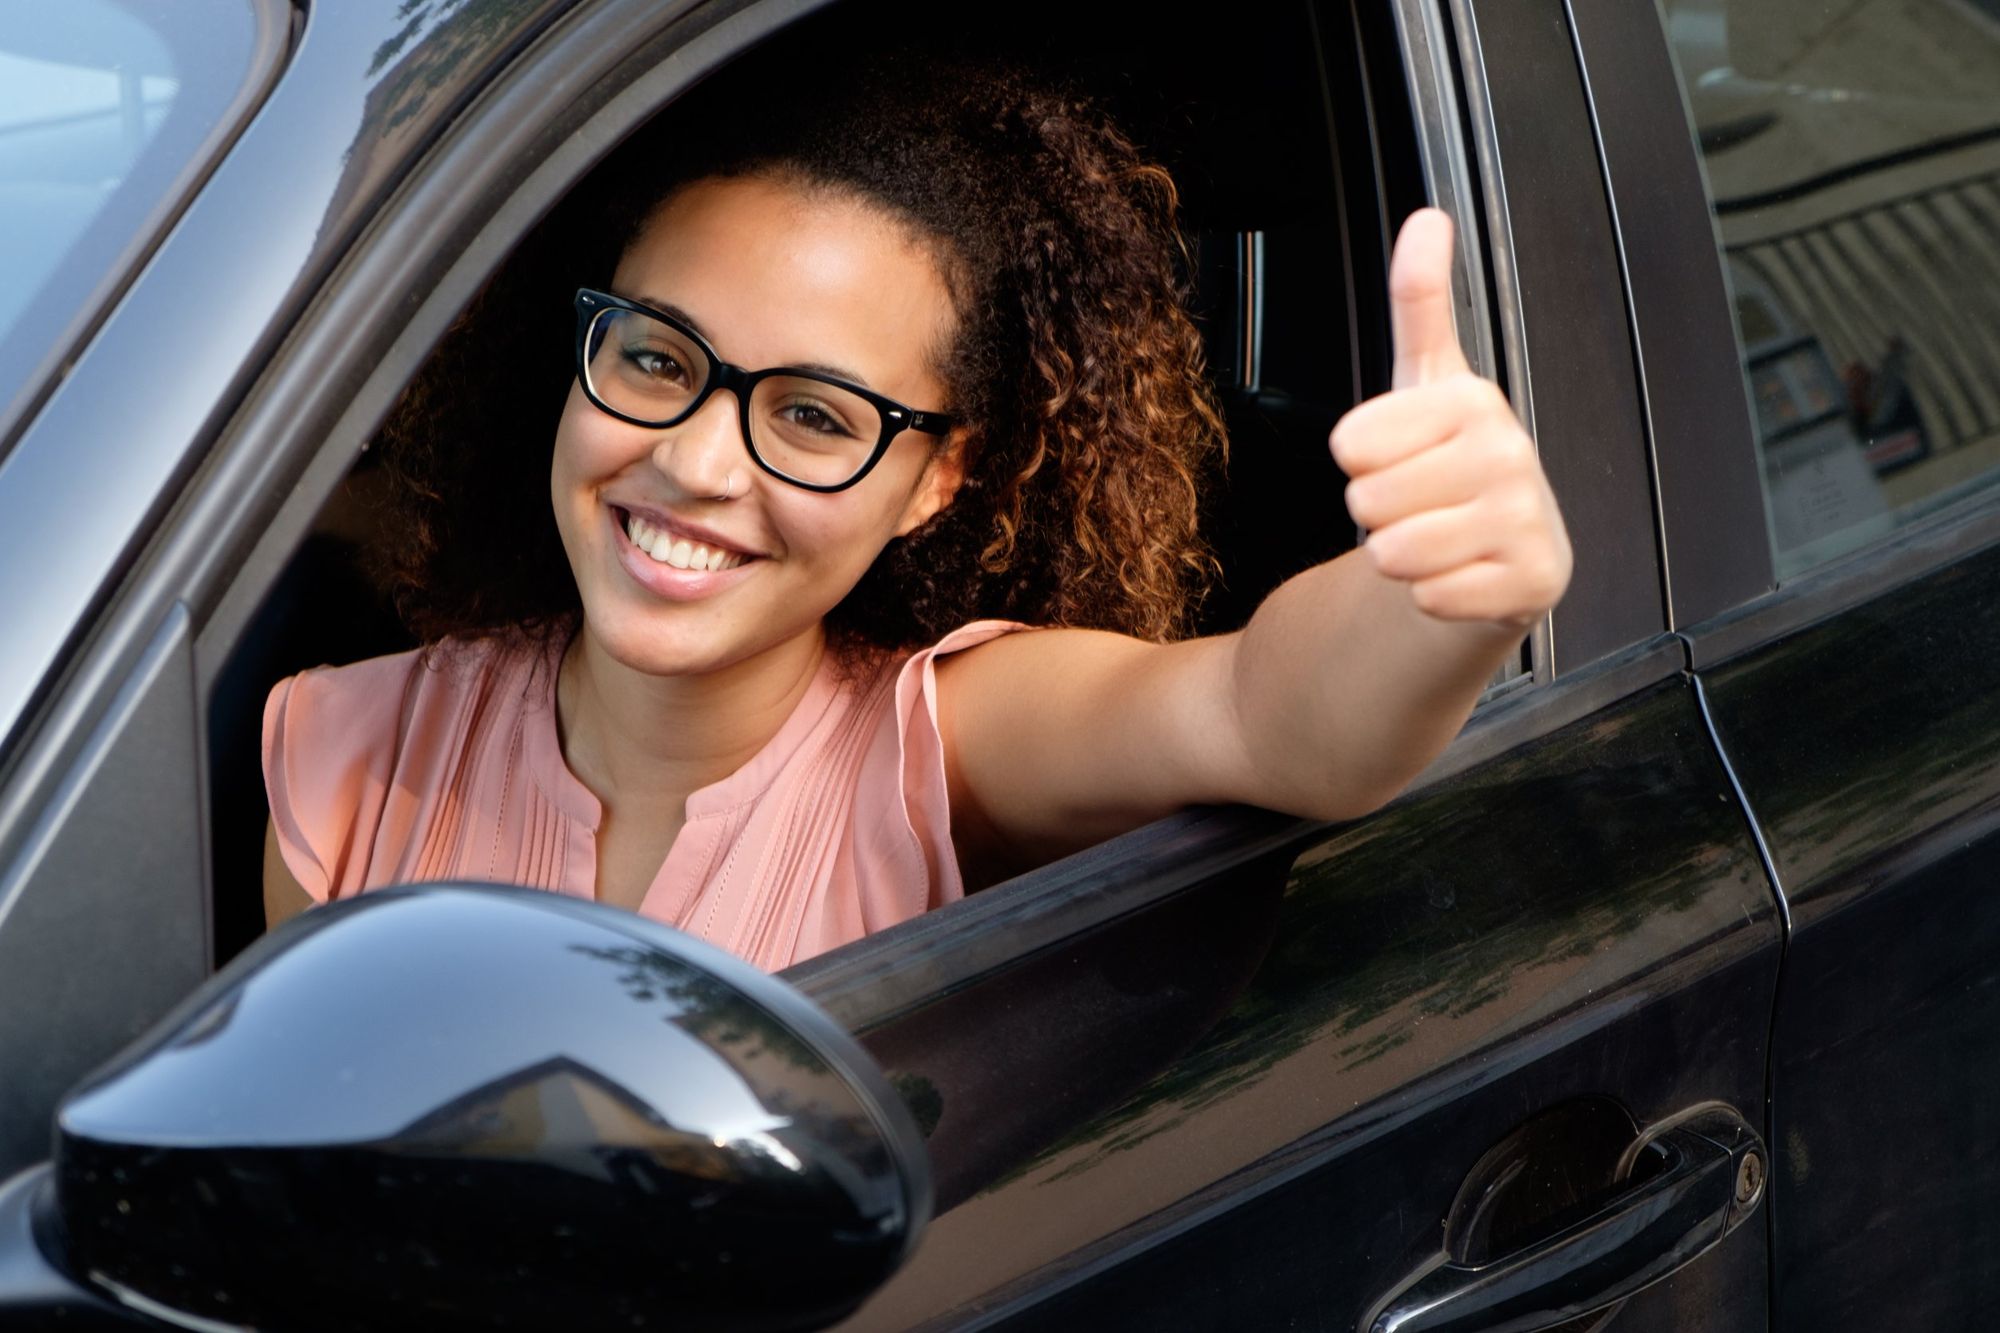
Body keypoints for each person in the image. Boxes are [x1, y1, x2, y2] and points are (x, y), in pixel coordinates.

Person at [260, 60, 1570, 970]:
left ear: (939, 477)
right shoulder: (347, 754)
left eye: (815, 416)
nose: (703, 462)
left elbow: (1260, 719)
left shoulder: (941, 745)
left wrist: (1439, 595)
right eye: (658, 358)